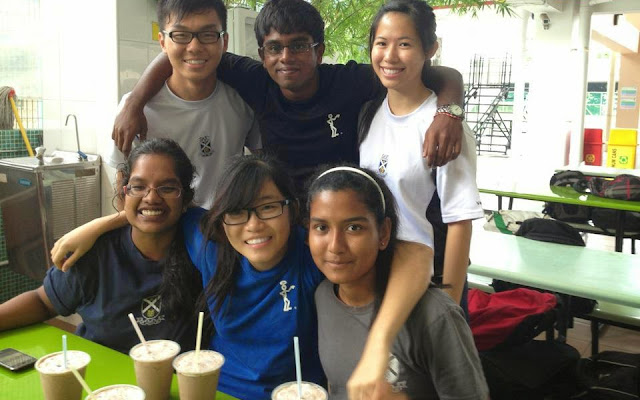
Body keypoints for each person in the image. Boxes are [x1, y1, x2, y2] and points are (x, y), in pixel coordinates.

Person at [52, 154, 434, 400]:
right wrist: (98, 225)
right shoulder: (211, 245)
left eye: (268, 207)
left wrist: (379, 344)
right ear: (222, 218)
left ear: (292, 211)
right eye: (237, 212)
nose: (253, 225)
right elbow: (162, 208)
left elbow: (416, 254)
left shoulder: (308, 252)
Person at [111, 0, 465, 195]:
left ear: (319, 51)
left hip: (342, 214)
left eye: (298, 46)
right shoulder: (255, 80)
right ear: (262, 54)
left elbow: (442, 74)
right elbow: (183, 53)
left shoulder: (349, 81)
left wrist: (448, 113)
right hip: (281, 219)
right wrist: (135, 103)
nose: (286, 58)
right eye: (274, 48)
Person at [0, 138, 201, 354]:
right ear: (125, 193)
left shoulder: (202, 250)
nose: (151, 197)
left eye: (167, 188)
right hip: (100, 371)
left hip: (177, 373)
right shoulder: (97, 251)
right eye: (138, 187)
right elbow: (43, 301)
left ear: (185, 198)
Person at [307, 165, 489, 399]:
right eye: (321, 227)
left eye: (354, 228)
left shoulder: (434, 315)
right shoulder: (323, 296)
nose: (335, 246)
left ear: (383, 233)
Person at [359, 0, 484, 310]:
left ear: (431, 49)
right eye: (381, 43)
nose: (390, 56)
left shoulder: (444, 128)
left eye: (404, 44)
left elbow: (459, 222)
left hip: (428, 287)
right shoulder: (368, 113)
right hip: (378, 281)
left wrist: (448, 305)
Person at [108, 0, 260, 209]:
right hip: (163, 226)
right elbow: (124, 187)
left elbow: (261, 166)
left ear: (224, 42)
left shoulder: (243, 102)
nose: (194, 46)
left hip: (225, 225)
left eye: (208, 35)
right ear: (163, 42)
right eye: (180, 35)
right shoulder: (137, 110)